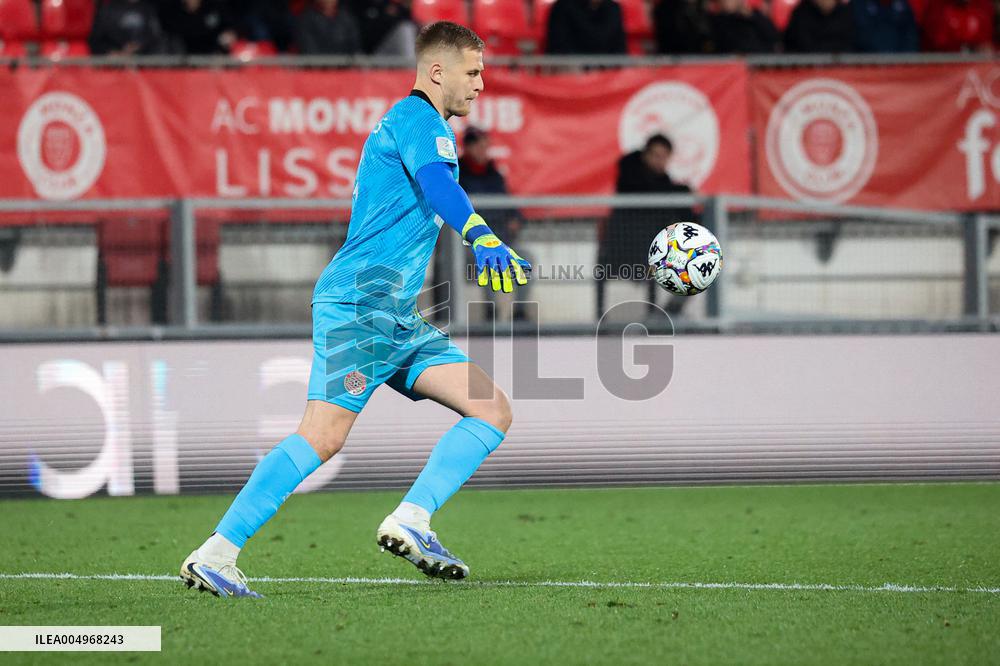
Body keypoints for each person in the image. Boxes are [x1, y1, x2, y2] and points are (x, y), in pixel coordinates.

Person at [179, 21, 531, 597]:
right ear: (437, 71)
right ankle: (216, 552)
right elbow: (441, 188)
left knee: (490, 408)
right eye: (473, 72)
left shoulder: (419, 126)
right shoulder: (420, 121)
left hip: (395, 315)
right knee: (322, 435)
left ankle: (412, 519)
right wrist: (480, 234)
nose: (481, 84)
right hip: (361, 306)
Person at [597, 134, 695, 320]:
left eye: (664, 157)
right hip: (624, 250)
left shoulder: (666, 184)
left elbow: (686, 216)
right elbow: (647, 189)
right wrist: (683, 191)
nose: (660, 161)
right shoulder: (629, 173)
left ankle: (668, 314)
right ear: (645, 155)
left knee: (701, 261)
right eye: (656, 155)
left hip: (654, 249)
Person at [459, 126, 526, 322]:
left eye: (486, 146)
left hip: (500, 237)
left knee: (527, 258)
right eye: (480, 146)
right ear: (469, 147)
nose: (484, 151)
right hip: (467, 244)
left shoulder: (493, 174)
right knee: (488, 256)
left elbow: (510, 207)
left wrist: (515, 220)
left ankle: (519, 313)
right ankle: (491, 314)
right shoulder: (457, 175)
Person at [545, 0, 627, 54]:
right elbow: (558, 48)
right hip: (572, 72)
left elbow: (620, 47)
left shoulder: (614, 8)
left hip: (610, 74)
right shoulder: (562, 7)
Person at [88, 0, 167, 56]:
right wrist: (111, 52)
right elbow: (96, 40)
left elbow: (157, 38)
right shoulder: (107, 9)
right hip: (114, 67)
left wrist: (139, 48)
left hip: (144, 65)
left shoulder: (150, 9)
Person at [159, 0, 236, 55]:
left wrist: (229, 35)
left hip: (212, 57)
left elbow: (231, 28)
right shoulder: (171, 10)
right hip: (180, 58)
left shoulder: (215, 6)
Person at [921, 0, 994, 52]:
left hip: (977, 66)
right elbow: (939, 41)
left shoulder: (983, 5)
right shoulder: (937, 6)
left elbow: (986, 43)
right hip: (943, 66)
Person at [710, 0, 781, 53]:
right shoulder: (720, 21)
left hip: (763, 65)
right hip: (736, 68)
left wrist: (749, 15)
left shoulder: (757, 16)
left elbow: (774, 39)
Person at [294, 0, 363, 55]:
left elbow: (355, 46)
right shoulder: (306, 19)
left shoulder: (346, 18)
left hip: (345, 68)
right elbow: (308, 49)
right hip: (316, 68)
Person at [784, 0, 855, 53]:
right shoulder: (800, 14)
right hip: (807, 68)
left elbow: (850, 43)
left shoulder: (846, 12)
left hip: (842, 68)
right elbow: (803, 45)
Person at [850, 0, 919, 52]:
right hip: (867, 63)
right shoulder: (859, 4)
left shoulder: (902, 4)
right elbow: (859, 37)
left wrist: (906, 60)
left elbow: (910, 36)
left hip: (900, 63)